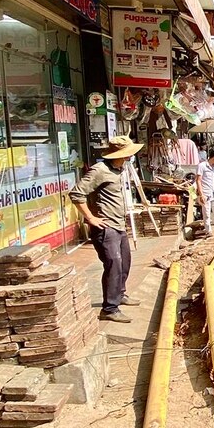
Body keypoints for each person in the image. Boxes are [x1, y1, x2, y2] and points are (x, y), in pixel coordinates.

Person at [69, 136, 143, 323]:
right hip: (106, 227)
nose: (128, 158)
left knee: (124, 262)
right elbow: (76, 193)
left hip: (119, 224)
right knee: (113, 265)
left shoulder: (118, 170)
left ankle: (120, 294)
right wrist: (91, 218)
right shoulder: (99, 171)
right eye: (126, 155)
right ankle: (109, 308)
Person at [196, 148, 214, 237]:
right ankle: (208, 231)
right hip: (206, 193)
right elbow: (198, 181)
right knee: (207, 214)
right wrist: (201, 195)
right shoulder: (202, 166)